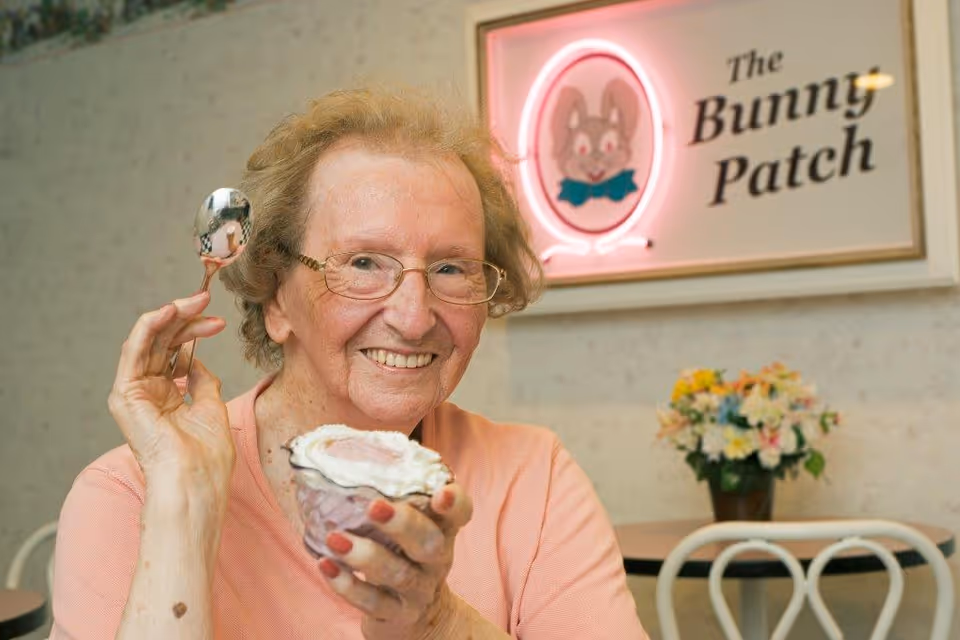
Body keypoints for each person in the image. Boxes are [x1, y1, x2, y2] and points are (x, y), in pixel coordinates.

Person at [50, 86, 648, 639]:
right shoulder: (131, 492)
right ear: (277, 296)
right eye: (363, 264)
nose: (414, 317)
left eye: (449, 268)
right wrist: (183, 504)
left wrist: (437, 622)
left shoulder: (531, 477)